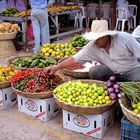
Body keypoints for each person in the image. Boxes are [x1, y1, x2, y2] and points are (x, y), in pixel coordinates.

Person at [45, 20, 140, 82]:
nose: (95, 41)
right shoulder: (93, 46)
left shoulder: (125, 39)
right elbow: (75, 58)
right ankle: (111, 86)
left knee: (138, 80)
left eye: (97, 38)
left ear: (106, 37)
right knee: (95, 71)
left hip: (131, 71)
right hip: (114, 72)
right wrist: (56, 67)